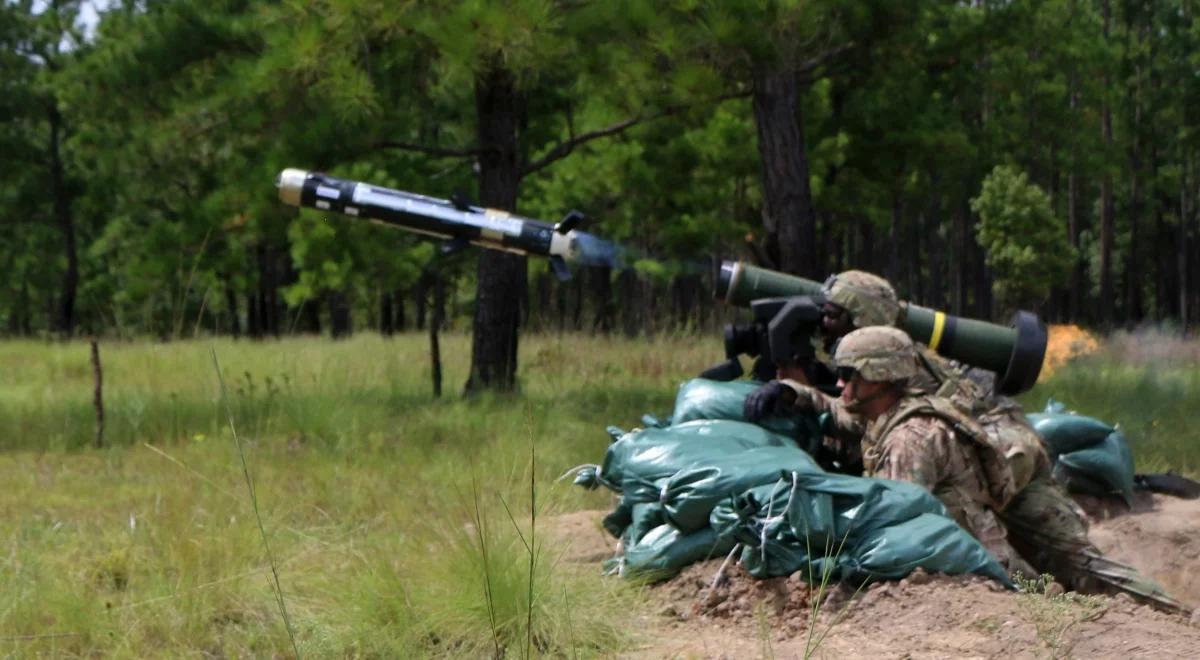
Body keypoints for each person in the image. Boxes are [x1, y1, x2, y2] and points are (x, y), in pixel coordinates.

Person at [826, 326, 1187, 611]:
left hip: (989, 564)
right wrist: (797, 392)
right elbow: (846, 415)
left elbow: (895, 528)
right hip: (980, 546)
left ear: (879, 374)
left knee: (1081, 574)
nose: (839, 382)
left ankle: (1177, 617)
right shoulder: (893, 415)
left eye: (848, 373)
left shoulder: (910, 439)